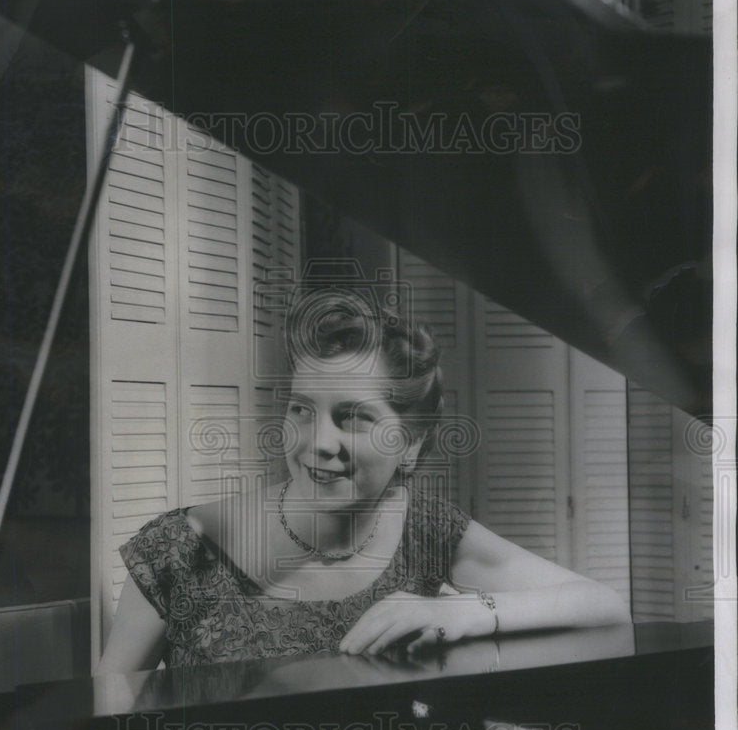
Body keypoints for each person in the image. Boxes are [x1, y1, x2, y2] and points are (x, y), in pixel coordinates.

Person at [96, 288, 628, 675]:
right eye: (302, 409)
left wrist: (464, 611)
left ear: (412, 443)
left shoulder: (428, 529)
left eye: (354, 417)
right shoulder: (178, 547)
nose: (318, 442)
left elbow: (603, 606)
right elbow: (107, 729)